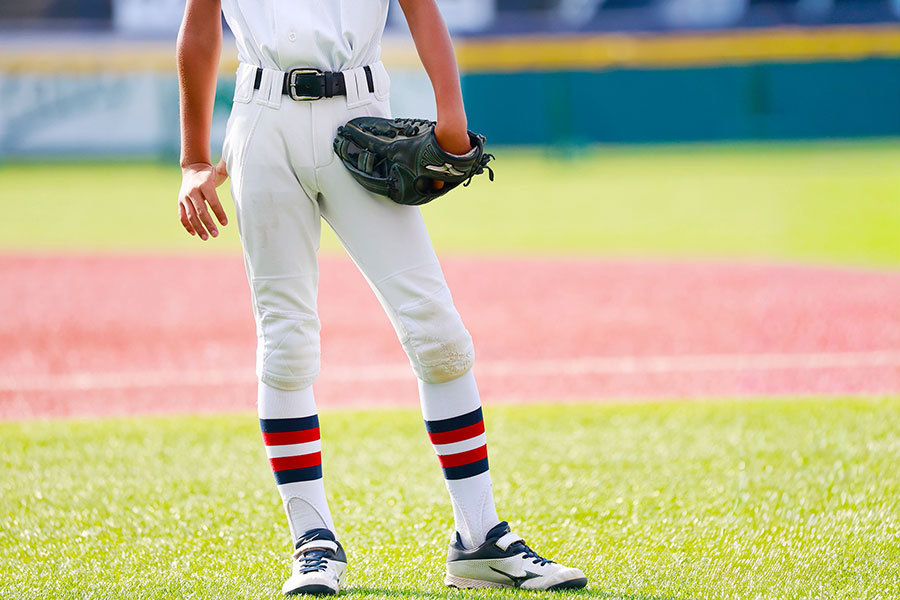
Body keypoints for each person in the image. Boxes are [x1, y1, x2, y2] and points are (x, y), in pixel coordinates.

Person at [176, 0, 587, 594]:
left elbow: (421, 9)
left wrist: (452, 115)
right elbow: (200, 23)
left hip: (358, 118)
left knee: (438, 332)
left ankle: (479, 538)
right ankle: (313, 543)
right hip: (262, 122)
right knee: (286, 340)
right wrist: (192, 157)